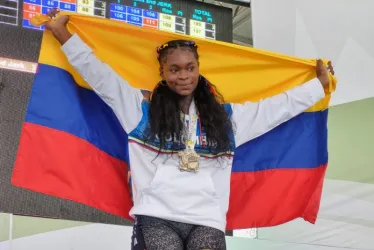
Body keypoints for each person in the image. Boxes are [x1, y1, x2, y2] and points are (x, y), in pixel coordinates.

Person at [45, 9, 335, 250]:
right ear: (163, 72)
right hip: (156, 216)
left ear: (198, 69)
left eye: (189, 67)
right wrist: (62, 34)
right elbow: (100, 76)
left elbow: (274, 110)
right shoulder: (139, 110)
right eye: (174, 69)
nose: (183, 76)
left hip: (207, 219)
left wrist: (317, 87)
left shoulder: (226, 119)